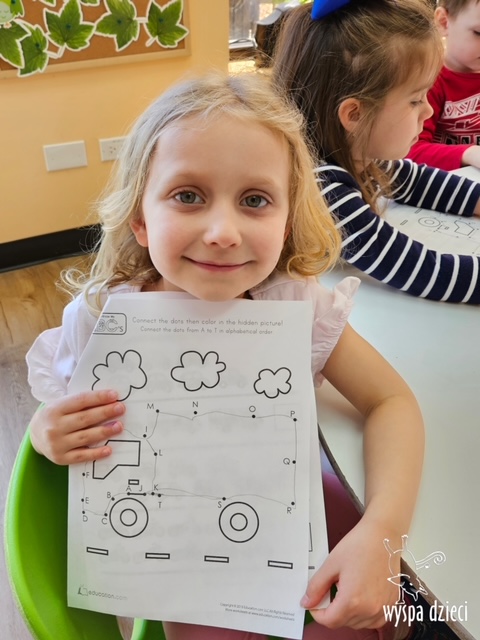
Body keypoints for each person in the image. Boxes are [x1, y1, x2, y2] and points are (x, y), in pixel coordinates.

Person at [26, 72, 424, 640]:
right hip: (189, 569)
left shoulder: (295, 305)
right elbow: (65, 423)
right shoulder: (101, 321)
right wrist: (47, 432)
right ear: (141, 218)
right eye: (188, 196)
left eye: (255, 200)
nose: (221, 232)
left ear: (286, 222)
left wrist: (383, 533)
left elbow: (391, 401)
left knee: (388, 618)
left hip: (304, 527)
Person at [272, 0, 480, 304]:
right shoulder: (322, 189)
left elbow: (420, 182)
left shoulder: (357, 155)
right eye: (415, 100)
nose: (428, 111)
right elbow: (425, 272)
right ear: (355, 114)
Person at [408, 0, 480, 170]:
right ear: (444, 22)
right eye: (478, 33)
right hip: (446, 178)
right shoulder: (425, 80)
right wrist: (469, 153)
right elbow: (410, 152)